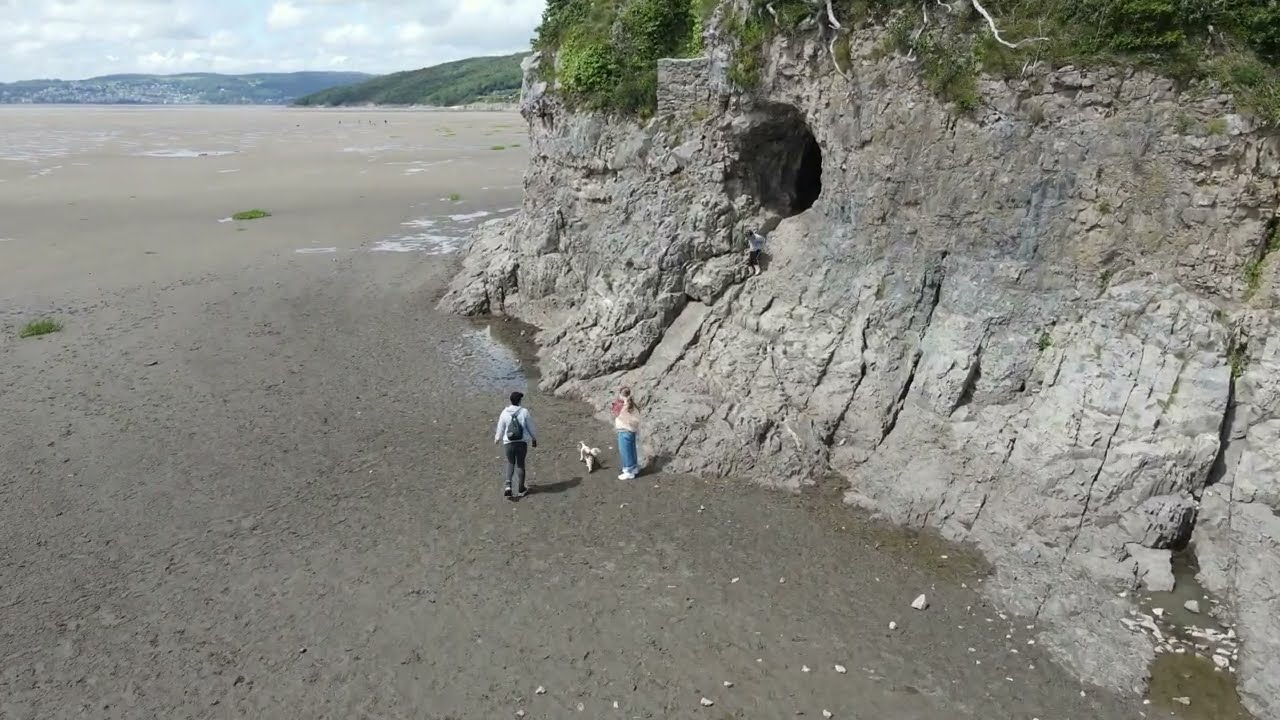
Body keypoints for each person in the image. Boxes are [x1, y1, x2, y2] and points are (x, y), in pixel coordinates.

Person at [494, 391, 537, 499]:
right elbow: (530, 427)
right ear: (519, 401)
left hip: (508, 442)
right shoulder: (524, 412)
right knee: (520, 464)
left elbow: (500, 427)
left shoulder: (504, 412)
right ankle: (521, 489)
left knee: (510, 463)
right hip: (521, 442)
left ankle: (508, 486)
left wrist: (497, 438)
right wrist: (534, 438)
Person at [612, 387, 641, 480]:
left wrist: (619, 405)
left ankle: (628, 471)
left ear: (621, 395)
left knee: (625, 451)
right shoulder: (633, 405)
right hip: (631, 431)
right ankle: (634, 468)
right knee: (632, 450)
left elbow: (619, 415)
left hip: (625, 431)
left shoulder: (625, 406)